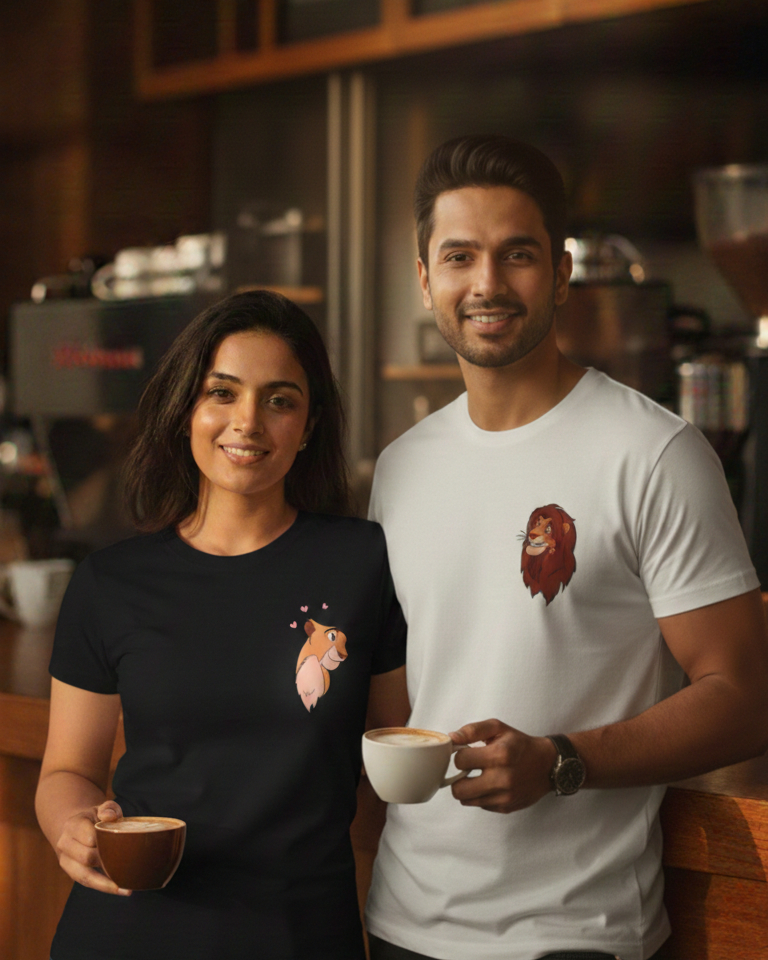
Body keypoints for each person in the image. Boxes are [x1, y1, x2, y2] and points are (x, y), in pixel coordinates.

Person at [364, 135, 768, 960]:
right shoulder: (401, 468)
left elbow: (745, 695)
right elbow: (402, 701)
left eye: (516, 254)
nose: (485, 283)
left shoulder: (653, 453)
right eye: (459, 256)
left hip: (576, 938)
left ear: (560, 273)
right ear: (424, 277)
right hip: (400, 926)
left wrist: (562, 761)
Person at [35, 290, 409, 960]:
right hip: (129, 932)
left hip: (299, 935)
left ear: (310, 423)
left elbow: (398, 750)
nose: (248, 421)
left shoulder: (362, 562)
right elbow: (67, 769)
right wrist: (74, 825)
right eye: (223, 392)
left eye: (280, 399)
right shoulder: (111, 582)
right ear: (186, 409)